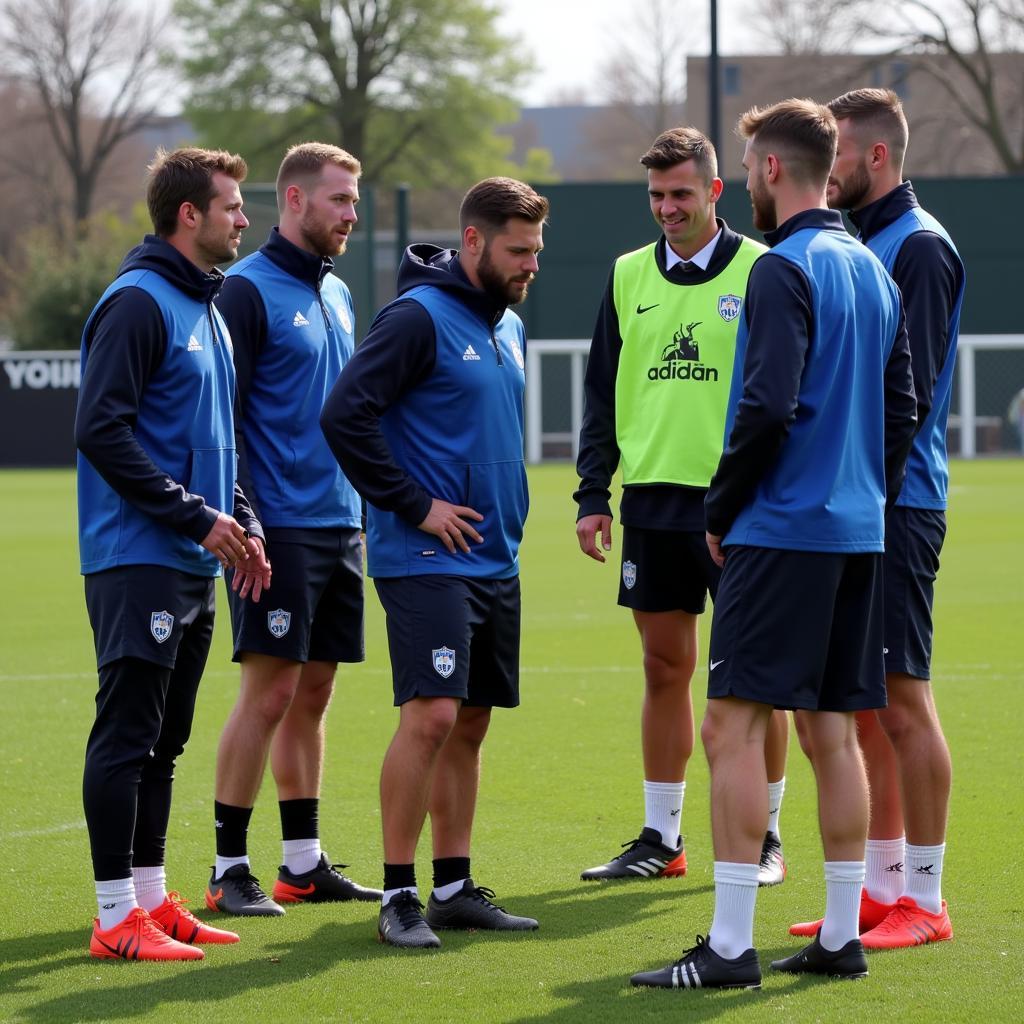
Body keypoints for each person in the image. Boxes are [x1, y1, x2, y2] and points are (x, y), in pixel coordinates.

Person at [631, 99, 918, 990]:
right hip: (855, 534)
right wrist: (863, 492)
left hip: (781, 531)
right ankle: (840, 936)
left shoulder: (781, 268)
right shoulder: (872, 269)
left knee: (730, 728)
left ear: (766, 170)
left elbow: (765, 406)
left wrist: (723, 508)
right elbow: (902, 409)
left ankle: (726, 946)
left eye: (751, 164)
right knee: (833, 731)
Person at [321, 177, 547, 949]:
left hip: (495, 558)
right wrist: (415, 505)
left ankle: (452, 886)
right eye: (519, 251)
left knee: (472, 720)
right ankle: (399, 894)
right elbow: (344, 414)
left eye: (538, 251)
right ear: (475, 243)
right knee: (433, 716)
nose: (531, 265)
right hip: (425, 555)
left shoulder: (506, 324)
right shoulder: (416, 318)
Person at [573, 127, 790, 887]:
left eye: (680, 195)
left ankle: (765, 835)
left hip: (743, 507)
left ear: (714, 192)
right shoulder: (628, 274)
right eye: (657, 196)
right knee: (664, 667)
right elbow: (601, 391)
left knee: (756, 679)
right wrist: (592, 493)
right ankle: (661, 839)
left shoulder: (764, 270)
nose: (667, 208)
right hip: (653, 504)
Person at [76, 147, 272, 961]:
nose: (242, 219)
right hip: (137, 555)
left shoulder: (210, 307)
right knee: (127, 734)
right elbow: (101, 432)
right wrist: (196, 518)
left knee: (167, 740)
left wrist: (244, 520)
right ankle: (115, 916)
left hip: (191, 558)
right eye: (231, 205)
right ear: (188, 215)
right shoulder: (136, 303)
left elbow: (215, 443)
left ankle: (154, 902)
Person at [789, 88, 964, 949]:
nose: (829, 173)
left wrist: (866, 495)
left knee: (904, 700)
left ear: (877, 158)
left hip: (899, 504)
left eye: (841, 157)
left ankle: (925, 901)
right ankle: (882, 889)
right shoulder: (864, 242)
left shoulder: (920, 248)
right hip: (863, 505)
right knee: (865, 706)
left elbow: (910, 399)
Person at [203, 143, 381, 916]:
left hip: (339, 521)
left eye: (355, 199)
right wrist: (245, 519)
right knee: (268, 693)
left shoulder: (337, 294)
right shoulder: (243, 292)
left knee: (314, 692)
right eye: (339, 200)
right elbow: (219, 423)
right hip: (274, 529)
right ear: (297, 202)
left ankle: (302, 862)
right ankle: (227, 866)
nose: (352, 213)